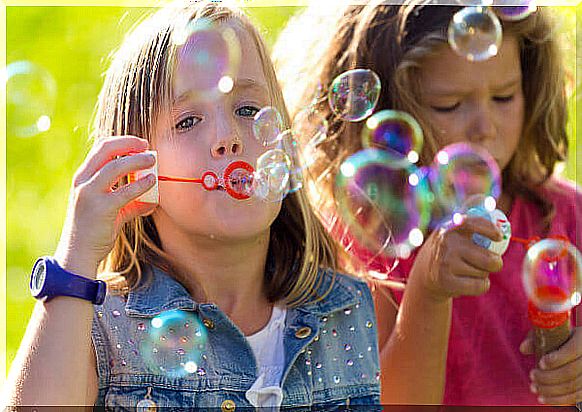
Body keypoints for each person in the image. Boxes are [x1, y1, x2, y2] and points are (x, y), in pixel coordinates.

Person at [3, 1, 381, 408]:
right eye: (188, 121)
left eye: (248, 109)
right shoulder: (96, 322)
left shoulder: (348, 308)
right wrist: (76, 256)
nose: (229, 137)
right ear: (133, 168)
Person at [274, 0, 580, 406]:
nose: (484, 127)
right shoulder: (363, 245)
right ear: (386, 111)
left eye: (504, 97)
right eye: (449, 105)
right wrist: (428, 292)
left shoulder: (562, 213)